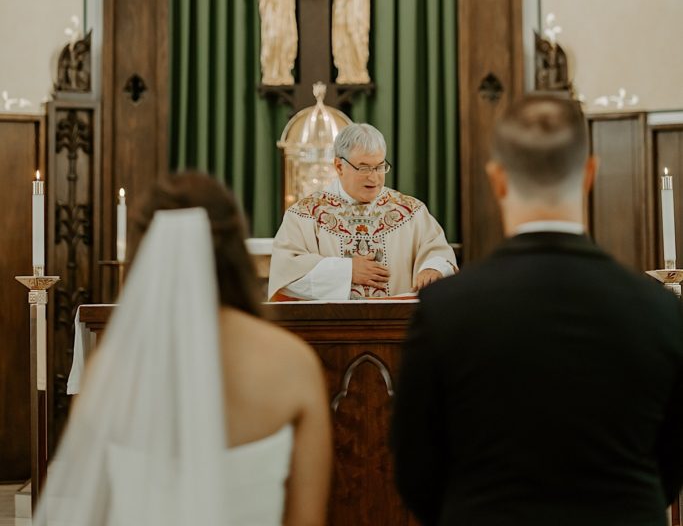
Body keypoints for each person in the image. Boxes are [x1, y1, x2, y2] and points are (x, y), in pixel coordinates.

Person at [391, 94, 683, 526]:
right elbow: (672, 460)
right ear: (589, 174)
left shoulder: (445, 310)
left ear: (497, 180)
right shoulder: (658, 308)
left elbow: (415, 468)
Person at [33, 173, 332, 526]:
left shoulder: (110, 369)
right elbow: (307, 518)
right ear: (235, 246)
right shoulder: (291, 362)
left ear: (144, 252)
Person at [269, 122, 457, 300]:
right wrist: (346, 271)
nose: (374, 177)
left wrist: (432, 268)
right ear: (339, 166)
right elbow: (285, 273)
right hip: (330, 328)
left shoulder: (410, 212)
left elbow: (438, 251)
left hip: (399, 327)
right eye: (364, 167)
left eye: (379, 167)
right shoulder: (306, 214)